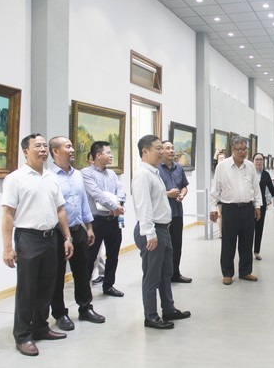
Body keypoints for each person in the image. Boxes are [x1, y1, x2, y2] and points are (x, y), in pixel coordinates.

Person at [1, 133, 74, 357]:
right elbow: (8, 214)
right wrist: (7, 247)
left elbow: (60, 209)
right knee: (27, 289)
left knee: (47, 286)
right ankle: (23, 335)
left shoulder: (51, 177)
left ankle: (41, 327)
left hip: (51, 237)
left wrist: (67, 237)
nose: (43, 149)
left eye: (45, 146)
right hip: (28, 238)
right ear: (26, 151)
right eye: (38, 146)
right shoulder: (15, 178)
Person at [132, 135, 191, 329]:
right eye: (158, 148)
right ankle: (150, 316)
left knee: (166, 273)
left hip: (163, 230)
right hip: (152, 231)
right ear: (145, 151)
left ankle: (168, 309)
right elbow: (143, 207)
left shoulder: (154, 173)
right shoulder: (142, 175)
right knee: (152, 276)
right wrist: (150, 233)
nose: (162, 152)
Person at [48, 136, 106, 331]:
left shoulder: (78, 175)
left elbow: (83, 203)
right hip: (57, 234)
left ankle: (85, 307)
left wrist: (89, 227)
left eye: (72, 146)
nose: (72, 150)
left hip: (78, 230)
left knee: (82, 272)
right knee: (57, 276)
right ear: (55, 152)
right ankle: (60, 314)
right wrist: (65, 237)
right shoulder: (49, 177)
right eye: (68, 147)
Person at [209, 136, 262, 285]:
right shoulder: (222, 166)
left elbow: (255, 188)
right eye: (239, 150)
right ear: (232, 150)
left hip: (247, 208)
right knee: (228, 242)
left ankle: (245, 272)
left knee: (247, 242)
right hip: (229, 209)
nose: (243, 152)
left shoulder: (250, 166)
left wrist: (257, 206)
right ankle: (227, 273)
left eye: (245, 149)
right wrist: (213, 208)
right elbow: (215, 189)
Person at [81, 141, 126, 297]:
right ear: (98, 155)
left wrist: (119, 205)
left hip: (113, 220)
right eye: (108, 152)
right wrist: (114, 207)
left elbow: (120, 190)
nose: (111, 155)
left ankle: (108, 285)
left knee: (113, 254)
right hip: (96, 221)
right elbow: (96, 194)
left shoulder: (112, 174)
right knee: (91, 257)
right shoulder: (86, 173)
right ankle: (84, 290)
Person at [158, 140, 192, 283]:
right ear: (161, 151)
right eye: (168, 148)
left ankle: (175, 273)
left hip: (177, 212)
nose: (171, 150)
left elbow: (184, 186)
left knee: (177, 245)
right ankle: (162, 276)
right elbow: (153, 193)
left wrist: (182, 194)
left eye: (172, 148)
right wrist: (168, 194)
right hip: (162, 215)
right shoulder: (157, 169)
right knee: (163, 247)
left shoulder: (179, 167)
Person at [252, 153, 274, 260]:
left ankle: (256, 251)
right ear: (253, 161)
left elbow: (272, 190)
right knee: (248, 230)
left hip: (262, 204)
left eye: (260, 159)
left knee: (259, 228)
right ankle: (246, 250)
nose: (259, 161)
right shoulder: (249, 173)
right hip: (249, 204)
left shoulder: (266, 174)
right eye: (256, 159)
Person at [86, 151, 106, 284]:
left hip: (106, 217)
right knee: (93, 252)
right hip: (91, 218)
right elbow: (96, 194)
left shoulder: (109, 175)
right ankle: (88, 280)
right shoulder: (85, 175)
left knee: (99, 251)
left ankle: (103, 275)